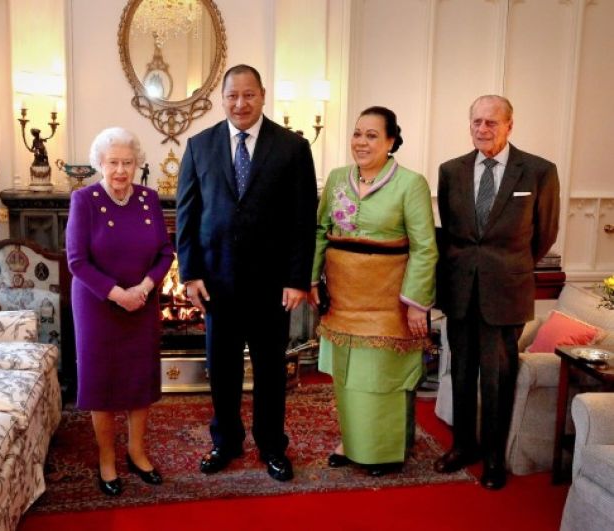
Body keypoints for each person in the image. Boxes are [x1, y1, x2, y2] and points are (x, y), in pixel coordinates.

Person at [176, 64, 317, 482]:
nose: (240, 103)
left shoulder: (292, 147)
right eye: (232, 96)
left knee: (271, 371)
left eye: (249, 95)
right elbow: (187, 213)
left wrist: (296, 278)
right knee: (222, 370)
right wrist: (190, 273)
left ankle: (272, 446)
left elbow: (302, 218)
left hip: (273, 286)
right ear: (221, 99)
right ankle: (226, 441)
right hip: (217, 282)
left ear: (263, 95)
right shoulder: (199, 145)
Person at [434, 95, 560, 490]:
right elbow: (453, 233)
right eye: (476, 122)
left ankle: (493, 459)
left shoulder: (538, 171)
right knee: (462, 373)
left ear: (509, 125)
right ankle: (463, 447)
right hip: (459, 291)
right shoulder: (450, 170)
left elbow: (545, 234)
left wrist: (505, 267)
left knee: (497, 381)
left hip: (506, 293)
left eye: (491, 123)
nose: (482, 130)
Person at [309, 106, 438, 476]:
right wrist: (313, 278)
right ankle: (351, 440)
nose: (361, 142)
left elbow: (425, 246)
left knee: (380, 377)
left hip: (387, 302)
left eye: (371, 135)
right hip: (343, 299)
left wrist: (416, 305)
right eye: (357, 133)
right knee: (348, 375)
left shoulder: (411, 184)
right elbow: (320, 231)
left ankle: (383, 450)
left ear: (391, 141)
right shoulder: (336, 179)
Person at [66, 127, 174, 496]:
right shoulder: (85, 200)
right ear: (99, 163)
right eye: (113, 162)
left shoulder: (149, 199)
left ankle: (137, 452)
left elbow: (164, 253)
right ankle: (107, 458)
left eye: (128, 162)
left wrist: (144, 289)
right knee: (103, 382)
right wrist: (117, 295)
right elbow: (77, 261)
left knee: (139, 381)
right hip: (98, 307)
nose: (120, 170)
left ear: (137, 164)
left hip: (141, 303)